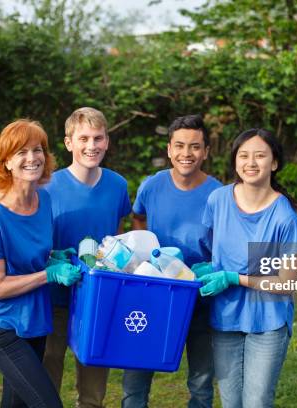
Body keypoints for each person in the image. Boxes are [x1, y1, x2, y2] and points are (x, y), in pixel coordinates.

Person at [0, 119, 82, 408]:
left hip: (35, 319)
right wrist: (49, 274)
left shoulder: (42, 200)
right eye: (21, 152)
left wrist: (53, 258)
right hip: (2, 324)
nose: (32, 158)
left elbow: (32, 256)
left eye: (37, 150)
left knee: (16, 404)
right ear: (6, 162)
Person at [198, 128, 297, 408]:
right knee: (231, 401)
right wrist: (210, 267)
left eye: (260, 156)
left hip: (268, 320)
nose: (251, 162)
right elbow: (210, 246)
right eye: (243, 155)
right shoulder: (218, 201)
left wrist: (235, 277)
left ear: (274, 163)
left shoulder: (286, 220)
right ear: (235, 162)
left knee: (256, 402)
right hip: (225, 316)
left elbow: (287, 283)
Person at [122, 114, 222, 408]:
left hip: (199, 297)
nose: (186, 154)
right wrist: (144, 259)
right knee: (135, 379)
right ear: (169, 149)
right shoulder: (151, 186)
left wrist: (212, 268)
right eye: (179, 146)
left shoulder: (218, 194)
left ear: (205, 151)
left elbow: (225, 241)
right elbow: (138, 218)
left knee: (201, 382)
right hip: (151, 295)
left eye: (194, 147)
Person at [42, 107, 132, 408]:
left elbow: (115, 236)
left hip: (97, 297)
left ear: (107, 141)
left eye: (98, 138)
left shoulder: (118, 186)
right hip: (53, 296)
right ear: (69, 143)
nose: (91, 146)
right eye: (83, 138)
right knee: (47, 371)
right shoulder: (47, 187)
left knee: (94, 385)